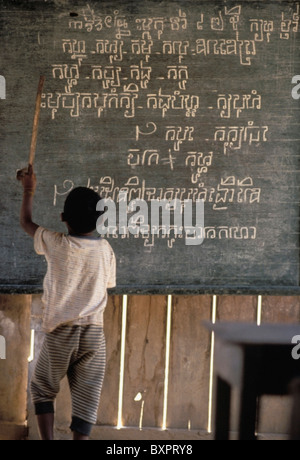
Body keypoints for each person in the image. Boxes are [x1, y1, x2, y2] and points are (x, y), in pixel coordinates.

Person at [17, 164, 116, 440]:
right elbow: (107, 284)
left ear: (63, 218)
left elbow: (26, 223)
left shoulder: (56, 243)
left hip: (62, 332)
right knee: (87, 397)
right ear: (100, 221)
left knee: (42, 388)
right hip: (94, 335)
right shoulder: (106, 250)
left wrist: (29, 189)